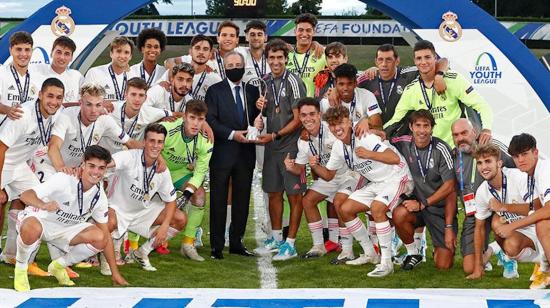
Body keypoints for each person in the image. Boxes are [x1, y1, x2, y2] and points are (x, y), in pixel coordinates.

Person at [313, 105, 413, 277]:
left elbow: (394, 158)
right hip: (377, 182)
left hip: (397, 176)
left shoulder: (365, 137)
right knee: (345, 209)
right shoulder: (338, 147)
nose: (337, 128)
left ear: (350, 122)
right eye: (332, 125)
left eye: (341, 123)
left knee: (377, 209)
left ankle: (386, 263)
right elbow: (329, 175)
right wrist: (313, 164)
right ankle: (370, 254)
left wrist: (369, 154)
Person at [14, 145, 128, 291]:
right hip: (41, 221)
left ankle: (58, 266)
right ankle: (21, 268)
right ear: (83, 164)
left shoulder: (100, 196)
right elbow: (25, 195)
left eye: (101, 168)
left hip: (66, 230)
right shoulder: (64, 179)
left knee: (101, 237)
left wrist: (115, 273)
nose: (95, 172)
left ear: (106, 170)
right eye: (91, 166)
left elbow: (106, 236)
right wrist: (43, 204)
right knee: (31, 226)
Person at [0, 78, 65, 276]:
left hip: (19, 166)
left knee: (40, 202)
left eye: (59, 98)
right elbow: (1, 148)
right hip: (3, 160)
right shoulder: (23, 114)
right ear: (40, 95)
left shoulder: (55, 113)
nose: (54, 101)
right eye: (50, 96)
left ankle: (21, 258)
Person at [283, 98, 359, 262]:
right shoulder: (303, 140)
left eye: (312, 114)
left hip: (349, 175)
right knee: (307, 200)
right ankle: (318, 246)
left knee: (340, 203)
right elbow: (299, 168)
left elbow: (327, 172)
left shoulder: (332, 130)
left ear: (320, 115)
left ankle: (347, 250)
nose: (307, 118)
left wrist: (315, 166)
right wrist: (290, 166)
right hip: (328, 176)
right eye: (303, 115)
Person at [106, 124, 187, 272]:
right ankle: (106, 254)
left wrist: (164, 226)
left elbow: (171, 200)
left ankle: (142, 252)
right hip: (118, 211)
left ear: (163, 145)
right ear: (144, 142)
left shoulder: (162, 170)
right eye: (152, 141)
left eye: (159, 142)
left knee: (180, 218)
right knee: (108, 222)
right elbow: (110, 162)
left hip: (142, 212)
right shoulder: (130, 156)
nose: (155, 145)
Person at [384, 40, 493, 147]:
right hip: (431, 151)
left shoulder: (453, 80)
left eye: (427, 57)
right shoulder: (411, 90)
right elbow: (395, 120)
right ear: (414, 61)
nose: (423, 62)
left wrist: (487, 129)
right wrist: (378, 133)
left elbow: (481, 105)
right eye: (419, 58)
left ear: (435, 58)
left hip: (457, 147)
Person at [255, 39, 307, 261]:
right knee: (273, 193)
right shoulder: (265, 81)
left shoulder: (294, 81)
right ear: (267, 60)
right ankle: (276, 239)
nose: (276, 62)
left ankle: (291, 244)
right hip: (271, 145)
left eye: (279, 58)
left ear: (286, 59)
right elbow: (267, 113)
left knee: (294, 196)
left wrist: (275, 135)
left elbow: (299, 119)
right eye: (271, 58)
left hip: (290, 146)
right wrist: (260, 112)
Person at [206, 51, 261, 259]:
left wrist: (260, 118)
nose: (234, 67)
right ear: (224, 67)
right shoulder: (214, 91)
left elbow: (257, 119)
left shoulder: (253, 90)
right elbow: (211, 120)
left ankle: (237, 242)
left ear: (244, 66)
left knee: (242, 199)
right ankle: (216, 247)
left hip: (246, 153)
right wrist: (231, 135)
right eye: (230, 65)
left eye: (238, 64)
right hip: (222, 152)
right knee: (218, 200)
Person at [451, 118, 518, 277]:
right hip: (474, 212)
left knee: (499, 223)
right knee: (469, 267)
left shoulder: (493, 147)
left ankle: (506, 255)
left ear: (474, 132)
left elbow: (519, 168)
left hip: (499, 209)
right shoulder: (454, 156)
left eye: (464, 133)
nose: (460, 138)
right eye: (456, 135)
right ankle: (491, 250)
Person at [391, 110, 457, 270]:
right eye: (418, 126)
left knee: (443, 265)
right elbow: (382, 140)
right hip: (417, 205)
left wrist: (448, 227)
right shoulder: (402, 143)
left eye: (426, 126)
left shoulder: (441, 148)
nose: (421, 131)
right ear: (411, 127)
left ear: (432, 128)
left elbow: (450, 186)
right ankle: (414, 252)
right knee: (398, 214)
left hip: (438, 209)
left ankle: (437, 245)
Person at [466, 144, 541, 285]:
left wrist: (504, 207)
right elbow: (479, 228)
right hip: (517, 231)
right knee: (500, 227)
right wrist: (478, 267)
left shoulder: (518, 177)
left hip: (538, 225)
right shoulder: (483, 191)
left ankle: (542, 262)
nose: (483, 167)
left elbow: (539, 207)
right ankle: (509, 256)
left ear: (499, 163)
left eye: (488, 161)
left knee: (501, 223)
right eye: (480, 163)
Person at [493, 134, 550, 289]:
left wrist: (512, 226)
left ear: (536, 152)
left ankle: (546, 269)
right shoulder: (532, 174)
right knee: (538, 224)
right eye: (516, 156)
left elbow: (548, 209)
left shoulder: (544, 170)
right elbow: (536, 206)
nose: (521, 160)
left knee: (543, 225)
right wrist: (505, 207)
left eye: (525, 154)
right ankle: (543, 265)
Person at [160, 100, 212, 261]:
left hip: (180, 173)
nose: (196, 123)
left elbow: (200, 171)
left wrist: (187, 194)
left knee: (200, 196)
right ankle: (132, 246)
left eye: (200, 119)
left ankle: (188, 244)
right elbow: (150, 147)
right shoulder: (168, 128)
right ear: (184, 117)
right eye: (192, 118)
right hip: (159, 171)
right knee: (143, 199)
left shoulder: (206, 140)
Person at [357, 43, 448, 124]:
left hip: (403, 134)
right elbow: (347, 80)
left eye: (389, 59)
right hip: (377, 132)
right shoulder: (368, 78)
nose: (384, 64)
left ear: (397, 61)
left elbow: (442, 61)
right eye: (380, 60)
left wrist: (439, 76)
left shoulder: (407, 73)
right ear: (376, 61)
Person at [99, 77, 171, 155]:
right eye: (133, 94)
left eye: (141, 95)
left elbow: (176, 114)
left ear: (145, 98)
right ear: (125, 95)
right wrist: (100, 105)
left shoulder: (149, 112)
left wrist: (165, 118)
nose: (137, 99)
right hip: (104, 159)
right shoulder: (110, 109)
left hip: (131, 161)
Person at [320, 63, 382, 129]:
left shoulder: (367, 95)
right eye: (341, 84)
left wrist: (367, 121)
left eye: (349, 84)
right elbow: (320, 126)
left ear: (355, 83)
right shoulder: (326, 101)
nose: (345, 88)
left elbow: (377, 122)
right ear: (335, 83)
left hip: (360, 136)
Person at [0, 31, 41, 124]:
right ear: (10, 50)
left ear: (32, 51)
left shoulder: (38, 77)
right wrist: (8, 110)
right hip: (3, 132)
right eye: (18, 49)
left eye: (27, 50)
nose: (23, 54)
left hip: (28, 134)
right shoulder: (2, 73)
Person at [30, 35, 84, 103]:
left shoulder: (77, 77)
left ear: (71, 58)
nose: (62, 57)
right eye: (59, 52)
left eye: (67, 54)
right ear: (51, 53)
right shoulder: (35, 71)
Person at [286, 13, 327, 97]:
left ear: (314, 32)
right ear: (295, 31)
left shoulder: (322, 53)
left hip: (313, 107)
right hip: (289, 107)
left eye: (308, 30)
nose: (304, 34)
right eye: (300, 30)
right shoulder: (285, 54)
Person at [85, 36, 133, 101]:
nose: (122, 56)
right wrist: (101, 103)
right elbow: (85, 99)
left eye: (126, 52)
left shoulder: (134, 76)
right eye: (118, 51)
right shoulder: (94, 72)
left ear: (130, 56)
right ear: (111, 53)